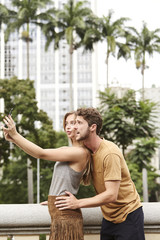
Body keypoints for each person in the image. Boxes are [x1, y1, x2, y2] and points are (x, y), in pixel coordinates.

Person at [55, 107, 145, 240]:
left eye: (79, 123)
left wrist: (77, 203)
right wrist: (57, 199)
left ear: (93, 127)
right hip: (109, 218)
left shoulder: (109, 153)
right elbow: (75, 178)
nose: (74, 127)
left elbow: (111, 195)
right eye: (74, 123)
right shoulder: (87, 152)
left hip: (128, 216)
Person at [2, 111, 92, 240]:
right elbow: (38, 153)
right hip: (59, 213)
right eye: (66, 123)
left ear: (81, 126)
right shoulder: (68, 150)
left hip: (66, 217)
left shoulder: (80, 152)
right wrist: (14, 139)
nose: (68, 126)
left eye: (73, 123)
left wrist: (16, 134)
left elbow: (41, 154)